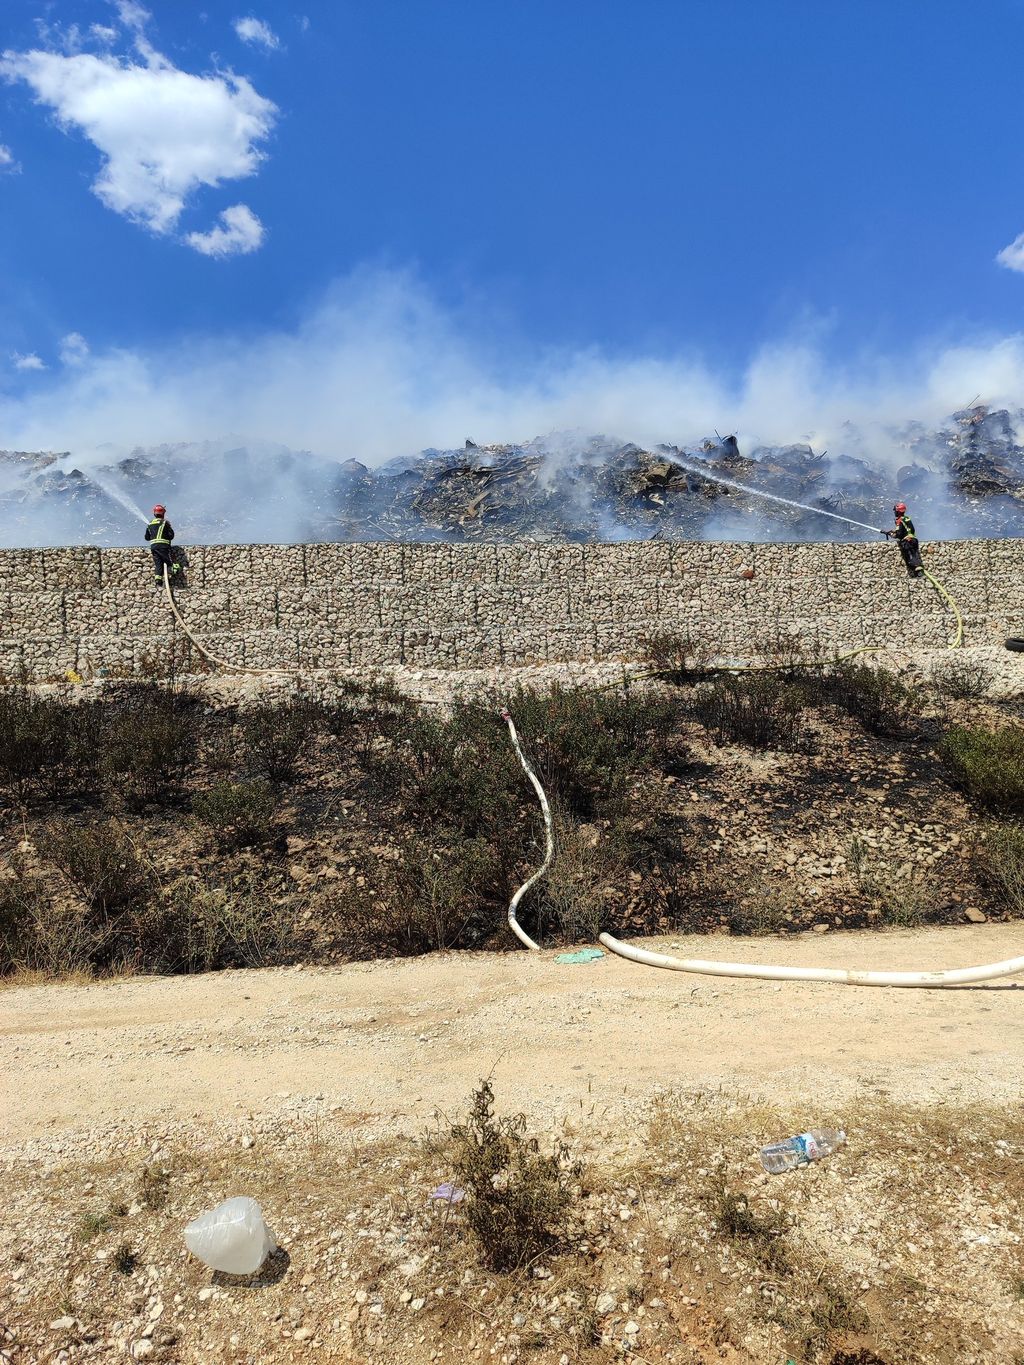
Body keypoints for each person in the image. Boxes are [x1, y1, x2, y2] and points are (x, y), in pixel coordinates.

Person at [881, 501, 923, 578]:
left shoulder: (899, 520)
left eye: (895, 511)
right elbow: (909, 530)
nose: (894, 512)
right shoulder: (907, 518)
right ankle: (918, 571)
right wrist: (893, 531)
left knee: (909, 557)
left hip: (907, 542)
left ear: (898, 511)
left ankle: (918, 572)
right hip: (914, 540)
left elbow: (899, 535)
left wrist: (890, 534)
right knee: (915, 554)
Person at [145, 504, 180, 585]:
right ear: (163, 514)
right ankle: (176, 574)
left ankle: (158, 580)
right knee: (171, 562)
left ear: (154, 513)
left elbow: (147, 538)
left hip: (154, 548)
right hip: (164, 547)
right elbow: (171, 536)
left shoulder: (149, 524)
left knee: (158, 564)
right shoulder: (165, 523)